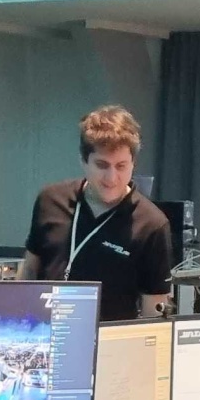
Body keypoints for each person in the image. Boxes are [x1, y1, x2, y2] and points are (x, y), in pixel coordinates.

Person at [21, 106, 174, 322]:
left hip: (109, 339)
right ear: (83, 161)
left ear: (133, 164)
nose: (111, 178)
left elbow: (154, 312)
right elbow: (29, 270)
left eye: (121, 166)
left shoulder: (151, 224)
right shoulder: (50, 200)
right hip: (43, 332)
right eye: (102, 165)